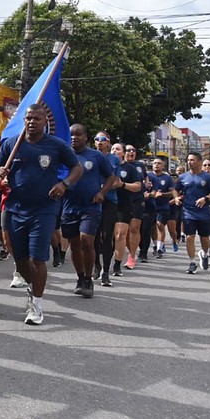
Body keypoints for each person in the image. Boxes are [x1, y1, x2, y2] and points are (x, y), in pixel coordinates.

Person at [0, 104, 82, 326]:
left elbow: (77, 167)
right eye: (28, 118)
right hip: (15, 209)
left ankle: (37, 304)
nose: (32, 122)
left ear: (45, 123)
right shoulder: (12, 144)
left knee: (37, 259)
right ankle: (33, 289)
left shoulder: (56, 146)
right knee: (20, 260)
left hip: (44, 209)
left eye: (37, 119)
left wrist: (65, 184)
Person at [61, 124, 114, 298]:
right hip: (69, 207)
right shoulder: (64, 155)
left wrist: (101, 193)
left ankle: (89, 278)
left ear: (86, 137)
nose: (74, 137)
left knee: (86, 241)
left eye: (78, 134)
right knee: (74, 244)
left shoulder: (96, 156)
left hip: (91, 206)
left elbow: (111, 177)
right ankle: (81, 277)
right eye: (71, 135)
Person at [172, 152, 210, 274]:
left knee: (205, 238)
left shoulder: (208, 177)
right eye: (188, 160)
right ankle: (192, 262)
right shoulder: (183, 177)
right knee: (189, 237)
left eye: (192, 160)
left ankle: (204, 254)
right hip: (188, 212)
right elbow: (175, 190)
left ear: (199, 161)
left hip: (204, 213)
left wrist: (206, 199)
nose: (189, 162)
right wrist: (176, 198)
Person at [91, 131, 121, 287]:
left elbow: (117, 181)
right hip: (93, 200)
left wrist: (104, 188)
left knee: (107, 235)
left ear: (108, 143)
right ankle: (96, 264)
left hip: (109, 200)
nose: (99, 142)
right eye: (96, 139)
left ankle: (106, 272)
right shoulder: (90, 156)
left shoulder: (114, 159)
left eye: (102, 139)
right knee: (94, 235)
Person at [110, 143, 142, 277]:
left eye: (117, 149)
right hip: (106, 203)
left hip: (124, 204)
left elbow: (138, 186)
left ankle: (117, 264)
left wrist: (122, 185)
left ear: (123, 153)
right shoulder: (105, 165)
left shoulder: (130, 168)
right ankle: (101, 265)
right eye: (112, 148)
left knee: (120, 234)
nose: (114, 151)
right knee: (106, 236)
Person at [147, 158, 174, 258]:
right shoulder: (148, 176)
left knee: (160, 225)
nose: (156, 165)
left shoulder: (167, 178)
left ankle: (159, 248)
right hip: (150, 205)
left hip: (163, 206)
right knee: (152, 226)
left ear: (163, 166)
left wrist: (162, 194)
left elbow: (172, 192)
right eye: (154, 163)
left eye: (159, 163)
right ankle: (155, 244)